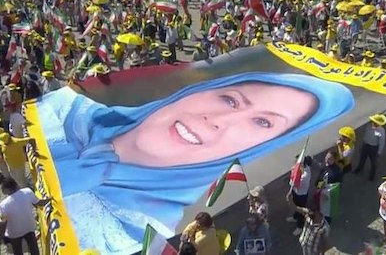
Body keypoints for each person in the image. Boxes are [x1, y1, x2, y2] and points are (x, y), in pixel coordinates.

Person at [38, 72, 354, 255]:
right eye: (230, 100)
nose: (219, 121)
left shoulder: (137, 226)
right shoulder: (61, 112)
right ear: (196, 91)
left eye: (261, 123)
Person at [0, 177, 50, 255]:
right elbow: (39, 203)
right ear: (16, 185)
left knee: (17, 250)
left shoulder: (3, 205)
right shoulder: (28, 192)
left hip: (14, 233)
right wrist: (49, 199)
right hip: (29, 227)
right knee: (34, 248)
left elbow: (3, 223)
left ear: (6, 190)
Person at [355, 114, 386, 181]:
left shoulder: (381, 130)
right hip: (365, 144)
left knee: (374, 163)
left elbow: (382, 142)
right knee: (362, 158)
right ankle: (359, 168)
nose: (373, 123)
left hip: (373, 148)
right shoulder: (367, 125)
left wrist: (379, 152)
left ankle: (372, 176)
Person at [286, 155, 312, 235]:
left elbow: (294, 183)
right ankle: (295, 217)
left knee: (300, 209)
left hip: (301, 195)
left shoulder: (305, 175)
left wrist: (292, 175)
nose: (295, 164)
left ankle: (300, 226)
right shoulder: (300, 168)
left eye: (297, 163)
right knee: (295, 206)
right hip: (296, 192)